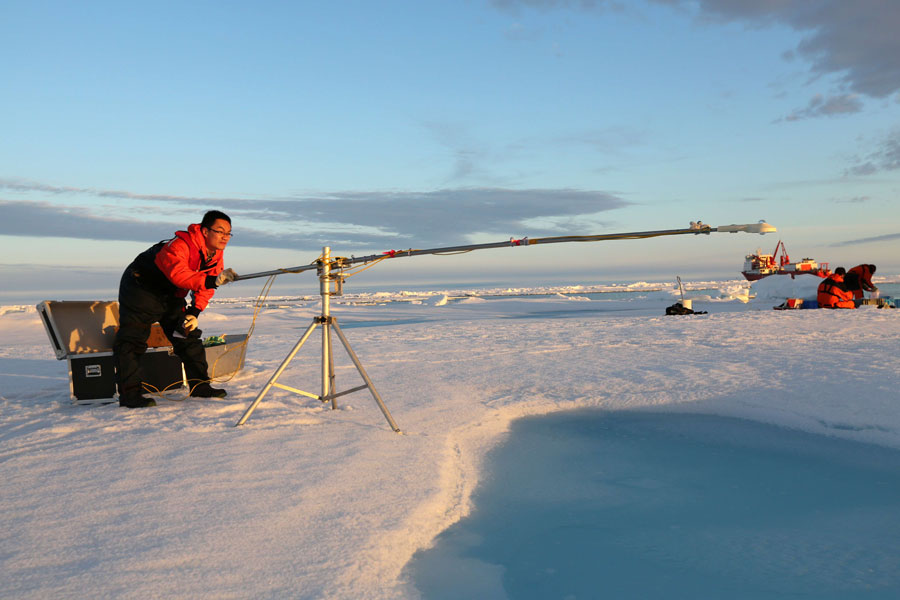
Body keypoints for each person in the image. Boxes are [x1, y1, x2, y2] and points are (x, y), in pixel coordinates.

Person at [114, 210, 238, 408]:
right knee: (132, 340)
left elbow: (208, 286)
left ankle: (200, 387)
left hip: (171, 295)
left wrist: (194, 312)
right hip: (141, 288)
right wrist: (211, 280)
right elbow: (179, 275)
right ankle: (130, 396)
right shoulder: (180, 245)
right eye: (220, 231)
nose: (225, 237)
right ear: (205, 231)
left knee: (187, 336)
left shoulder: (215, 255)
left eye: (229, 233)